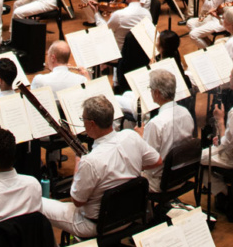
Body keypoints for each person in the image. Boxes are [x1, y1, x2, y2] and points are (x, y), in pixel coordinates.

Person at [46, 96, 153, 238]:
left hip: (97, 225)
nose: (83, 124)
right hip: (129, 215)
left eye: (83, 120)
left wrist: (78, 163)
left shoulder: (89, 161)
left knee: (39, 204)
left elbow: (77, 201)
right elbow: (156, 161)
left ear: (91, 124)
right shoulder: (131, 136)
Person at [139, 69, 192, 191]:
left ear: (157, 93)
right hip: (181, 176)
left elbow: (146, 161)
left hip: (159, 182)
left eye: (151, 89)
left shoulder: (156, 124)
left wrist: (141, 138)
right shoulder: (186, 113)